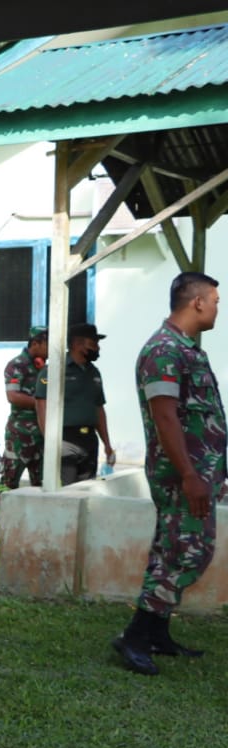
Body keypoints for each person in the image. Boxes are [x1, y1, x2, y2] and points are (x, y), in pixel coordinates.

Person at [112, 272, 226, 676]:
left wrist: (213, 471)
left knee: (171, 549)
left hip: (195, 472)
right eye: (214, 299)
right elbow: (165, 417)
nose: (217, 307)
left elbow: (199, 418)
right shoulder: (164, 349)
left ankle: (156, 634)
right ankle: (135, 637)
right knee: (189, 553)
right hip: (180, 476)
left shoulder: (188, 350)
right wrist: (190, 475)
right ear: (196, 302)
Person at [34, 322, 116, 484]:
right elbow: (42, 406)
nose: (98, 348)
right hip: (65, 440)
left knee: (87, 491)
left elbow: (99, 408)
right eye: (93, 343)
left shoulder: (94, 372)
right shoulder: (55, 370)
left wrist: (107, 444)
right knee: (68, 493)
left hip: (89, 440)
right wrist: (50, 441)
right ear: (78, 343)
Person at [0, 325, 48, 535]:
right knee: (9, 480)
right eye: (47, 343)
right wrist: (41, 403)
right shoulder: (17, 365)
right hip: (19, 434)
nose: (51, 348)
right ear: (35, 343)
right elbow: (13, 396)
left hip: (41, 434)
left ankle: (39, 524)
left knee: (42, 481)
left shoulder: (46, 367)